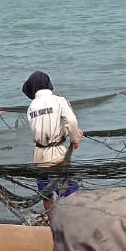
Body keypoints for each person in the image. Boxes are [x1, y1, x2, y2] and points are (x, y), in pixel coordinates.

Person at [22, 71, 83, 217]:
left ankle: (50, 222)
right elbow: (71, 121)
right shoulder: (59, 100)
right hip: (57, 154)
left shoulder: (31, 106)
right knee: (69, 192)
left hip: (39, 155)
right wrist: (75, 139)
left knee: (46, 193)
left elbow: (39, 128)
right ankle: (72, 221)